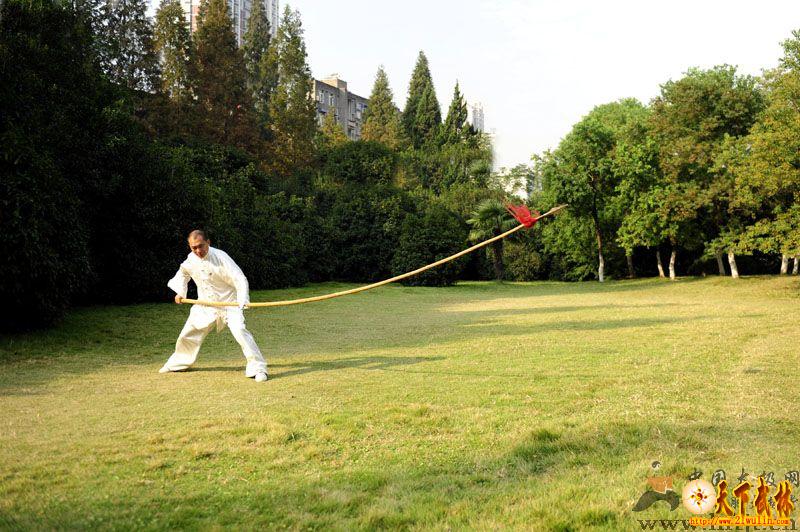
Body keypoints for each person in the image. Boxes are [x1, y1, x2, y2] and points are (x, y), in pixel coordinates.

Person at [159, 230, 268, 382]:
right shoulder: (191, 259)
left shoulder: (221, 257)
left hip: (230, 303)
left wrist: (243, 299)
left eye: (201, 246)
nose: (198, 251)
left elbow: (239, 278)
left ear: (208, 242)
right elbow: (183, 273)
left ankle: (258, 369)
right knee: (188, 333)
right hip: (205, 305)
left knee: (240, 331)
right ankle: (177, 364)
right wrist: (180, 292)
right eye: (194, 247)